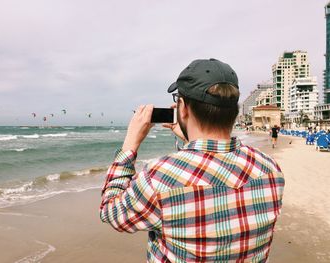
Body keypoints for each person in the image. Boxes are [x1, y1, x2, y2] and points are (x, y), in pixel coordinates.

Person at [100, 58, 285, 262]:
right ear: (233, 110)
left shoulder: (160, 178)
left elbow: (112, 212)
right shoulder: (270, 169)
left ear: (184, 109)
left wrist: (130, 145)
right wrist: (191, 139)